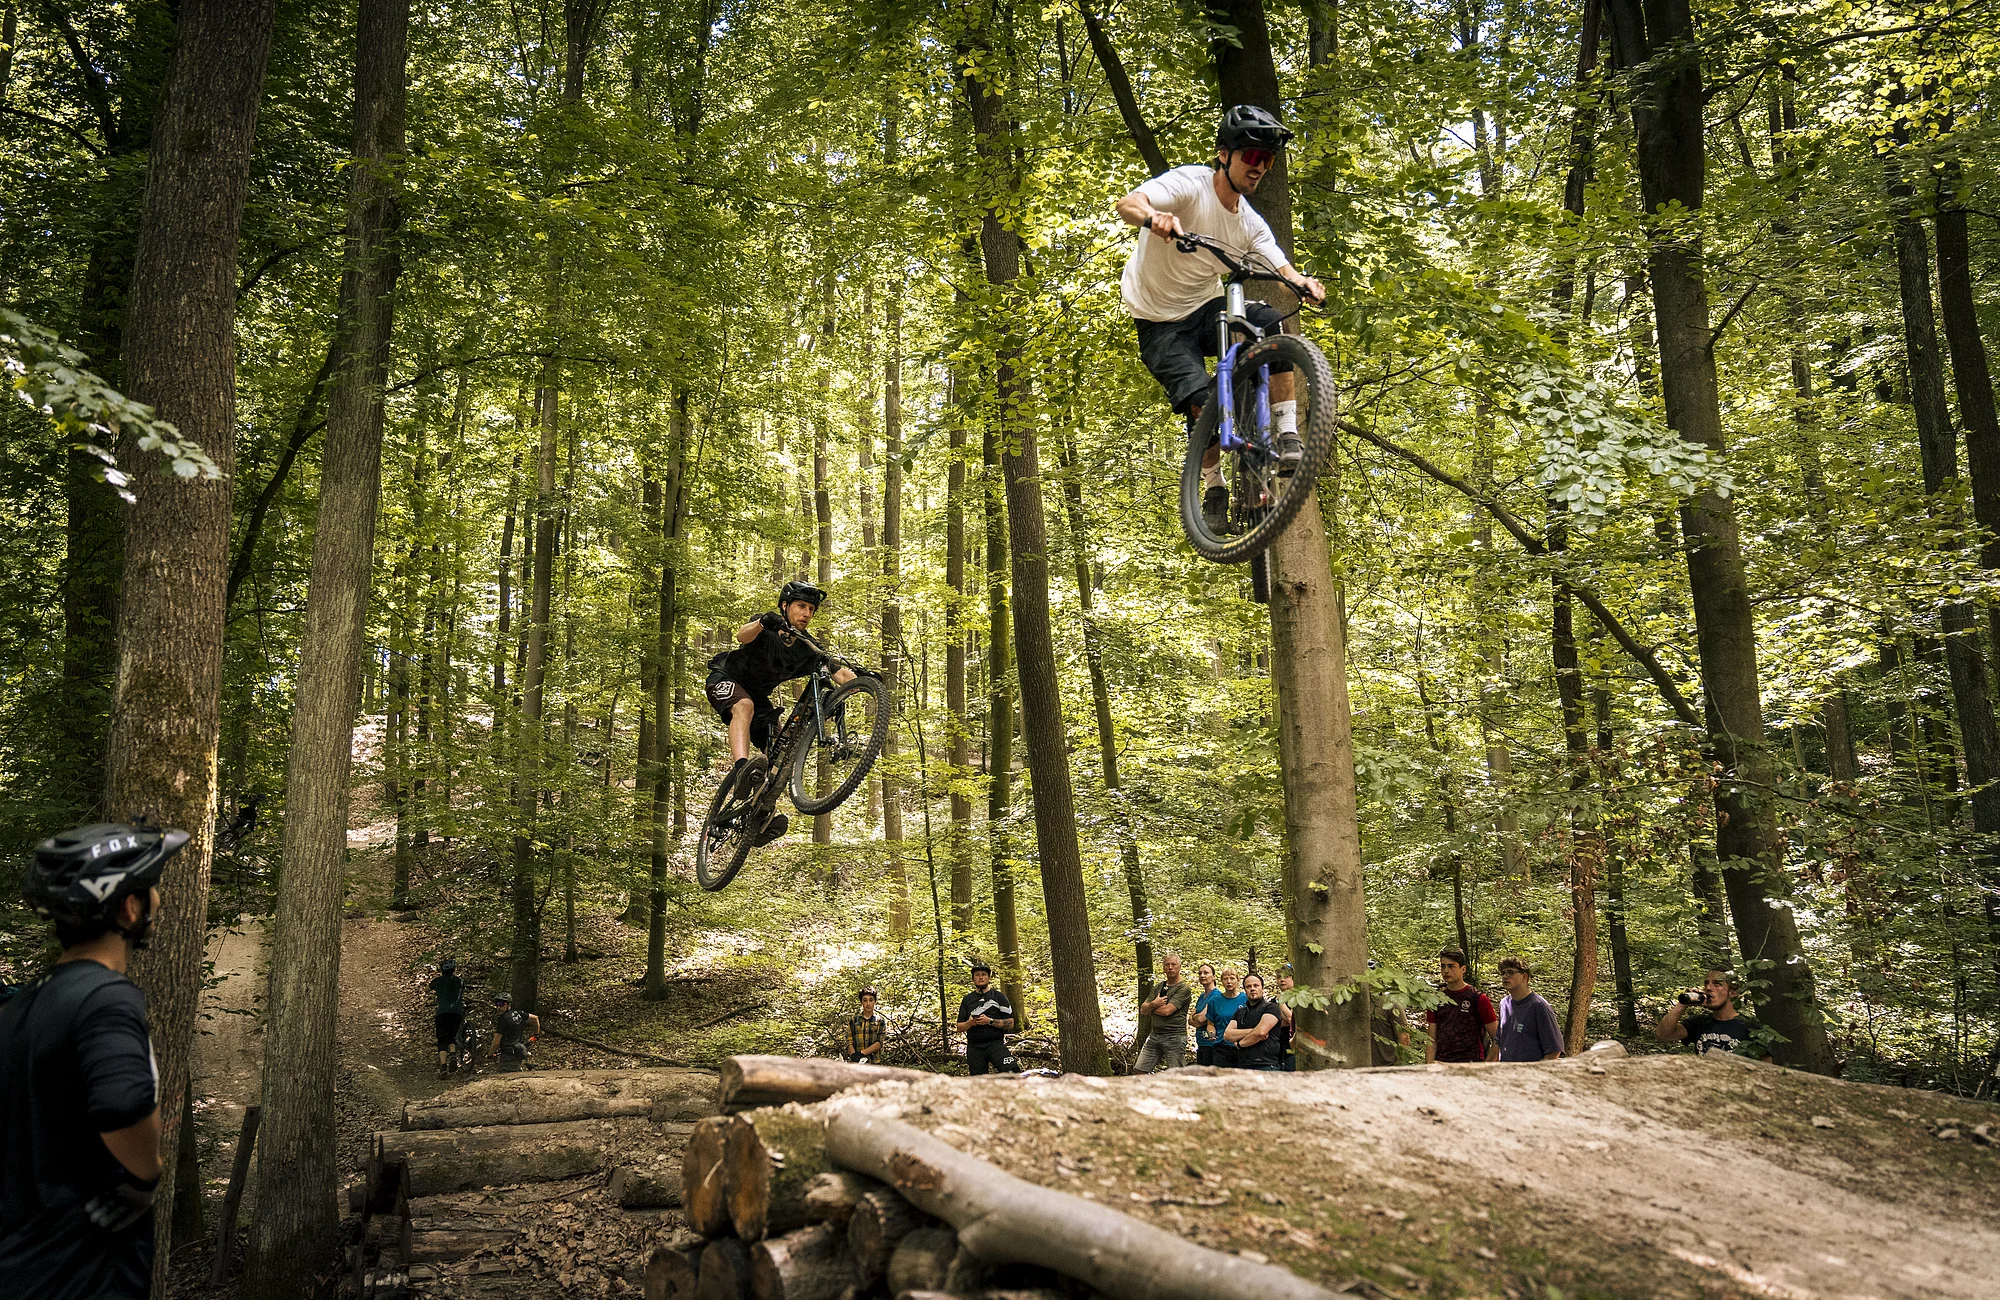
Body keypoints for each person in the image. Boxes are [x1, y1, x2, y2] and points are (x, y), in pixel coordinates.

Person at [1114, 105, 1328, 532]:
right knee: (1200, 400)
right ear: (1223, 155)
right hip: (1157, 319)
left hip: (1204, 306)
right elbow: (1129, 203)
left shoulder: (1250, 224)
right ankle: (1213, 485)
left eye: (1267, 160)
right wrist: (1154, 216)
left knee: (1269, 320)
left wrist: (1304, 283)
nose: (1260, 167)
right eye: (1251, 156)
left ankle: (1287, 435)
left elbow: (1284, 272)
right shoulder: (1189, 186)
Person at [1, 822, 190, 1299]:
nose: (158, 899)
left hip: (23, 1263)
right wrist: (141, 1182)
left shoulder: (23, 1006)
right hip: (85, 1272)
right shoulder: (106, 997)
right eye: (151, 888)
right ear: (129, 908)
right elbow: (123, 1104)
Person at [704, 580, 856, 846]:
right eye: (801, 606)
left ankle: (759, 815)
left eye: (811, 609)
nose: (806, 613)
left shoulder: (806, 647)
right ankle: (741, 769)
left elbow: (840, 673)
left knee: (779, 756)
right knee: (744, 706)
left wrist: (869, 684)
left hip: (760, 698)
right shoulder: (767, 627)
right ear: (785, 607)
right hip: (726, 678)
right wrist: (763, 622)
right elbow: (742, 636)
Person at [1655, 968, 1767, 1059]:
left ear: (1733, 992)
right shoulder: (1699, 1023)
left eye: (1717, 984)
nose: (1708, 988)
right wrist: (1683, 1004)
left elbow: (1766, 1065)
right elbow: (1663, 1035)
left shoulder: (1750, 1025)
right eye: (1706, 983)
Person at [1424, 948, 1498, 1064]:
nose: (1446, 971)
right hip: (1442, 1065)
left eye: (1451, 966)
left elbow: (1498, 1038)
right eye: (1443, 966)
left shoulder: (1477, 998)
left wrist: (1486, 1066)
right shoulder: (1435, 1000)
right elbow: (1432, 1040)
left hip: (1472, 1065)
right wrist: (1429, 1067)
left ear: (1463, 969)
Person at [1495, 957, 1563, 1062]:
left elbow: (1554, 1051)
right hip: (1506, 1073)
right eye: (1503, 973)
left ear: (1524, 977)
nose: (1505, 976)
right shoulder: (1504, 1004)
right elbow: (1499, 1042)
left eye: (1510, 972)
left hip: (1529, 1074)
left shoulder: (1539, 1006)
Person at [955, 962, 1017, 1076]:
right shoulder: (967, 1000)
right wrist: (970, 1023)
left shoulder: (999, 997)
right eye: (977, 975)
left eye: (983, 974)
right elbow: (959, 1027)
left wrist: (990, 1021)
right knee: (978, 1082)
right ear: (973, 979)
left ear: (989, 977)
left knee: (1013, 1072)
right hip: (975, 1047)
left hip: (995, 1044)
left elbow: (1011, 1023)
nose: (980, 977)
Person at [1133, 954, 1192, 1073]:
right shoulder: (1159, 987)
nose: (1170, 967)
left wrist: (1151, 1008)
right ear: (1164, 968)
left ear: (1179, 967)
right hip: (1155, 1035)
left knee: (1177, 1075)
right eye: (1167, 965)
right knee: (1139, 1070)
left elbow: (1167, 1011)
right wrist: (1154, 1004)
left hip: (1174, 1036)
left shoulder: (1183, 989)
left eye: (1173, 965)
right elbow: (1143, 1009)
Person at [1222, 973, 1284, 1070]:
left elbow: (1261, 1032)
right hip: (1243, 1065)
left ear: (1262, 989)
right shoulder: (1240, 1012)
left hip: (1266, 1065)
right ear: (1245, 990)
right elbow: (1227, 1034)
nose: (1252, 989)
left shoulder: (1271, 1008)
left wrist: (1239, 1044)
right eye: (1248, 986)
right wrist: (1252, 1031)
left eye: (1256, 985)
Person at [1192, 966, 1246, 1067]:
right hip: (1221, 1047)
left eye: (1232, 978)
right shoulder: (1214, 1001)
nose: (1229, 982)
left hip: (1242, 1046)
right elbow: (1210, 1024)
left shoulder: (1245, 999)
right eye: (1225, 979)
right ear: (1221, 981)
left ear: (1238, 980)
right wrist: (1212, 1034)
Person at [487, 992, 539, 1072]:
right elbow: (535, 1019)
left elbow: (496, 1042)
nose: (498, 1007)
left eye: (501, 1004)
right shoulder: (518, 1014)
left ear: (508, 1005)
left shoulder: (503, 1019)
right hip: (519, 1052)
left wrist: (490, 1054)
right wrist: (536, 1036)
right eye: (497, 1004)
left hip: (508, 1057)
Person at [432, 958, 466, 1077]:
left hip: (442, 1013)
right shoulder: (459, 981)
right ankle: (452, 1054)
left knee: (442, 1040)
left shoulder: (437, 981)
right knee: (452, 1036)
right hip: (457, 1012)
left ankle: (443, 1068)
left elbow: (427, 989)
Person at [844, 987, 886, 1064]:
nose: (868, 1004)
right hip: (856, 1064)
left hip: (874, 1062)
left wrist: (862, 1053)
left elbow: (879, 1043)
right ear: (861, 1002)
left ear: (875, 1001)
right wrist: (853, 1055)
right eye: (865, 1000)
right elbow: (849, 1041)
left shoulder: (880, 1021)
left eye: (871, 1000)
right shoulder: (854, 1020)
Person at [1274, 966, 1298, 1071]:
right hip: (1278, 1048)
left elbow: (1290, 1019)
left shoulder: (1299, 999)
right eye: (1279, 977)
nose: (1282, 979)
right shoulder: (1272, 1001)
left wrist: (1281, 1003)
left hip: (1294, 1047)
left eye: (1286, 976)